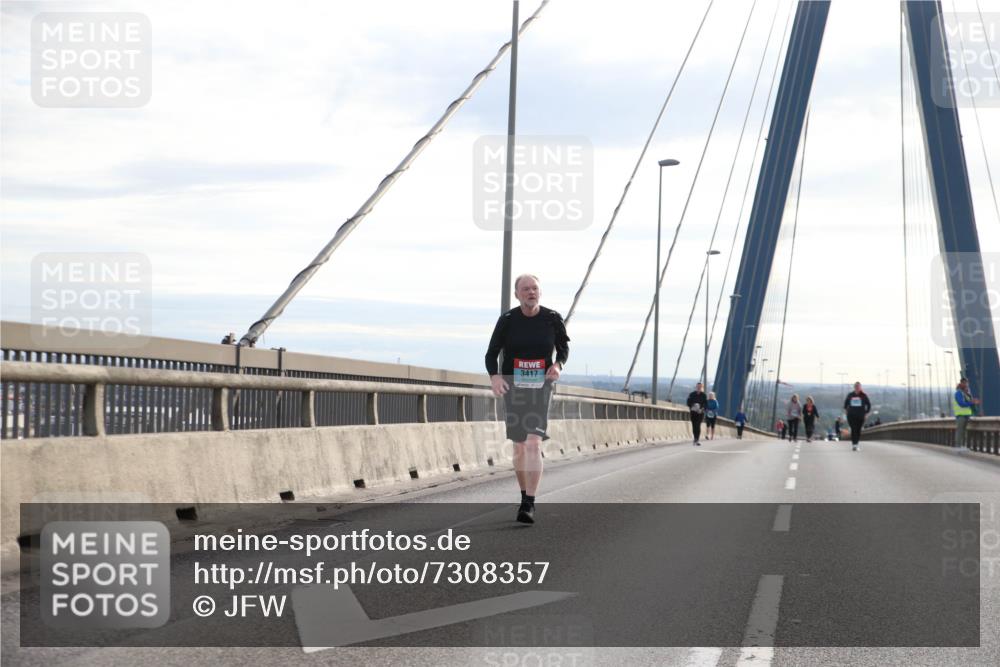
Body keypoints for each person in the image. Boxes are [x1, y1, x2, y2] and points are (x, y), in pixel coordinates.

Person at [485, 274, 569, 524]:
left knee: (534, 444)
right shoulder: (508, 320)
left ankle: (529, 503)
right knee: (519, 446)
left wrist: (558, 365)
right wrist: (495, 377)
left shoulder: (552, 318)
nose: (530, 292)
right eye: (525, 289)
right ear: (517, 294)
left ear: (540, 293)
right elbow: (491, 353)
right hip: (514, 388)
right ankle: (524, 495)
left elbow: (563, 347)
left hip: (541, 388)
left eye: (534, 288)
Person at [952, 378, 981, 450]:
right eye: (965, 383)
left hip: (966, 416)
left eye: (967, 383)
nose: (966, 385)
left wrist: (976, 410)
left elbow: (970, 405)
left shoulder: (967, 394)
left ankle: (963, 446)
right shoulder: (958, 393)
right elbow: (961, 404)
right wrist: (972, 402)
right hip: (960, 415)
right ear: (961, 383)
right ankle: (958, 447)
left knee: (964, 432)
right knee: (960, 431)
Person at [842, 381, 872, 451]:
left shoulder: (864, 395)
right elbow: (845, 404)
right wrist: (846, 411)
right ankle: (854, 445)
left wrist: (866, 413)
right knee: (853, 429)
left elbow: (869, 405)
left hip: (860, 416)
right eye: (856, 387)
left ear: (860, 387)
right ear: (854, 387)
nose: (857, 388)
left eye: (858, 387)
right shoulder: (850, 395)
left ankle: (857, 443)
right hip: (851, 415)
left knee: (858, 430)